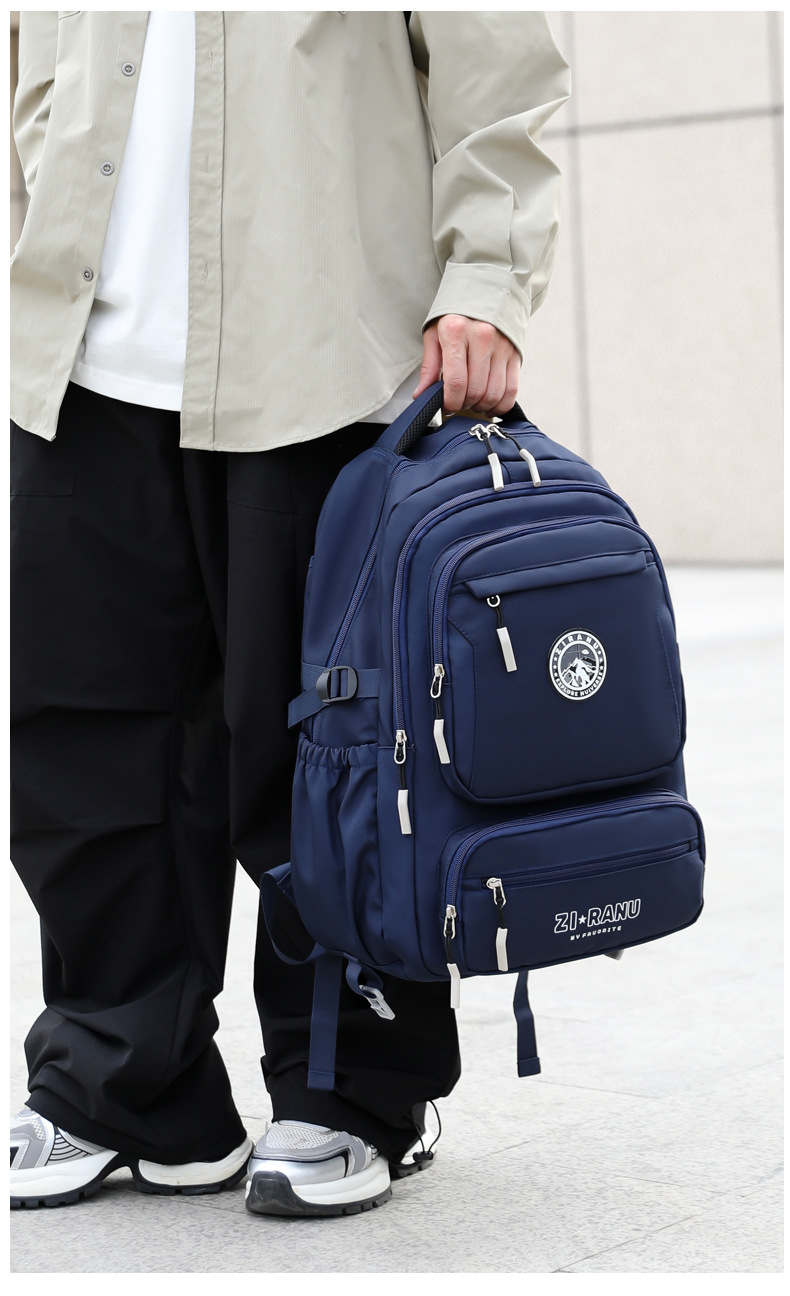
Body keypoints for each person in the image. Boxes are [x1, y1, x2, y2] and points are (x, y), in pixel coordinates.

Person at [10, 11, 570, 1217]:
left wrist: (486, 278)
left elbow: (500, 76)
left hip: (319, 355)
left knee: (336, 754)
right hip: (82, 368)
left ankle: (349, 1085)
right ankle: (121, 1083)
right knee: (86, 747)